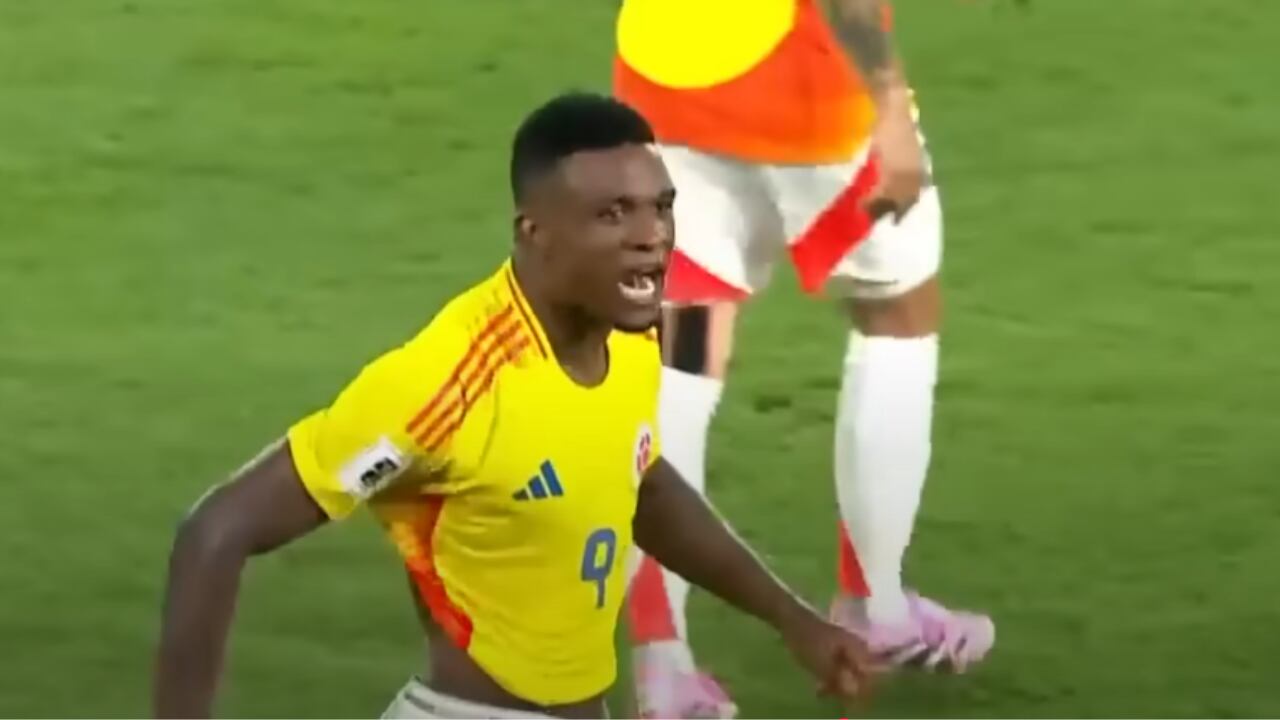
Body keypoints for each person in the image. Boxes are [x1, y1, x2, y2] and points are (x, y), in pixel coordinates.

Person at [151, 91, 879, 720]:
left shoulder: (630, 329)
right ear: (536, 234)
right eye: (612, 214)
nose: (651, 238)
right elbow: (217, 532)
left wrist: (794, 621)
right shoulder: (445, 387)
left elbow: (639, 483)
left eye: (660, 209)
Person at [613, 1, 995, 716]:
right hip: (805, 92)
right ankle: (874, 605)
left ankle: (662, 665)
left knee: (682, 358)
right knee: (896, 314)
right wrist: (891, 107)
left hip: (662, 84)